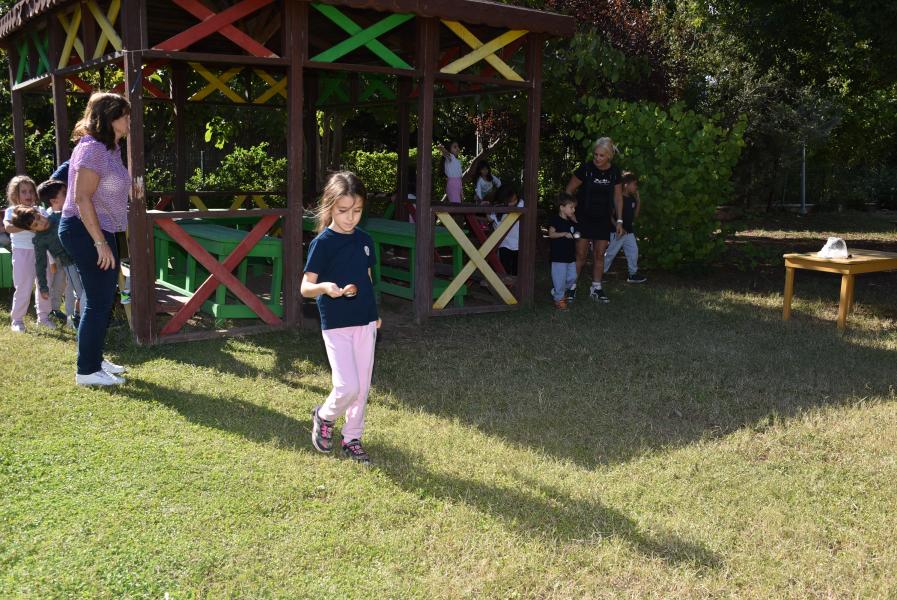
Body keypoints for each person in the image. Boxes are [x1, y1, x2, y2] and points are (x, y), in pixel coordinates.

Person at [302, 171, 381, 465]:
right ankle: (324, 415)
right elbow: (305, 288)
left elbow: (367, 280)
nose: (350, 217)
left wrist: (375, 316)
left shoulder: (365, 241)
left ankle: (352, 438)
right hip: (336, 324)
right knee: (347, 386)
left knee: (362, 387)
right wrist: (325, 287)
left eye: (357, 211)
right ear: (330, 207)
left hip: (365, 322)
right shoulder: (322, 243)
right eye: (344, 210)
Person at [58, 92, 131, 386]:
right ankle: (87, 371)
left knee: (101, 299)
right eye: (125, 115)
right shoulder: (93, 150)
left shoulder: (109, 148)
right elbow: (82, 198)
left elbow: (104, 189)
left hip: (99, 230)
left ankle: (94, 359)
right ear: (110, 118)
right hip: (85, 231)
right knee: (99, 302)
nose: (129, 120)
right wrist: (100, 243)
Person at [565, 137, 624, 303]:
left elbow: (618, 198)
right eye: (595, 154)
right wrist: (570, 213)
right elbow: (568, 190)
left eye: (601, 156)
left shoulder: (615, 172)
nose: (597, 158)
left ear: (609, 156)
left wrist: (619, 221)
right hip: (583, 218)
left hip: (603, 219)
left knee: (599, 255)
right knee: (580, 255)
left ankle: (596, 289)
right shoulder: (586, 169)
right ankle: (571, 287)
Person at [9, 204, 85, 330]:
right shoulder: (40, 240)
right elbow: (40, 265)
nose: (41, 223)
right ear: (31, 229)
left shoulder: (58, 217)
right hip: (69, 265)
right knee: (80, 293)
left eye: (39, 217)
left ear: (39, 213)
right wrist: (43, 287)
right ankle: (79, 321)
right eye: (35, 225)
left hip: (84, 256)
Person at [4, 175, 53, 332]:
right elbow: (8, 227)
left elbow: (48, 226)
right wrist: (29, 225)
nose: (28, 195)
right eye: (23, 191)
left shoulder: (40, 210)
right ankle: (17, 320)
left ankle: (43, 318)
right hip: (22, 253)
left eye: (31, 191)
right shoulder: (12, 211)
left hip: (42, 253)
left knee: (45, 285)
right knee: (23, 287)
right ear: (15, 194)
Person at [39, 179, 76, 323]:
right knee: (58, 283)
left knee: (71, 286)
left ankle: (71, 314)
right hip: (58, 258)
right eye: (64, 193)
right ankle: (54, 309)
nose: (69, 195)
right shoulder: (49, 218)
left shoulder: (70, 213)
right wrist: (52, 260)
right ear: (53, 200)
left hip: (71, 257)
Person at [604, 171, 647, 283]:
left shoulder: (632, 199)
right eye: (634, 184)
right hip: (617, 232)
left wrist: (638, 201)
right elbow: (609, 216)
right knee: (610, 253)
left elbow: (635, 215)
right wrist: (618, 227)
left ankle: (632, 275)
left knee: (634, 252)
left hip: (629, 232)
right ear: (626, 185)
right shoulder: (617, 198)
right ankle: (600, 273)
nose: (636, 187)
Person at [548, 192, 579, 310]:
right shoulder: (555, 220)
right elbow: (551, 234)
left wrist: (576, 227)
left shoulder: (571, 221)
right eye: (571, 207)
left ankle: (558, 290)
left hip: (570, 256)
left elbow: (577, 233)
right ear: (562, 207)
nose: (573, 210)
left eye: (574, 207)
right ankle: (559, 300)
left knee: (572, 277)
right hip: (558, 257)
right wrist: (564, 234)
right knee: (560, 279)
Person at [489, 184, 522, 278]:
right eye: (510, 201)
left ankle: (515, 284)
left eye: (515, 199)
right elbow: (491, 219)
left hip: (519, 243)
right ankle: (505, 284)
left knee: (517, 270)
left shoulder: (521, 204)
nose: (514, 202)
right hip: (504, 243)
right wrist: (489, 209)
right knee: (504, 269)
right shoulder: (497, 208)